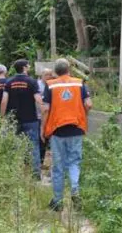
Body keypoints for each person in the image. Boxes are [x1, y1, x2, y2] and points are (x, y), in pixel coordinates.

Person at [41, 58, 92, 212]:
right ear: (69, 69)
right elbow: (88, 104)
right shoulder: (79, 83)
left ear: (56, 71)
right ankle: (75, 190)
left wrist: (43, 129)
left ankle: (57, 202)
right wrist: (82, 115)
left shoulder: (50, 85)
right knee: (74, 162)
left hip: (57, 131)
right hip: (76, 128)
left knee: (58, 167)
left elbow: (45, 109)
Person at [0, 59, 42, 180]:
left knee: (14, 145)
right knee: (33, 145)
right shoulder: (32, 82)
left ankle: (15, 173)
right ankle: (35, 175)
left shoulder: (9, 82)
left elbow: (4, 101)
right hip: (30, 119)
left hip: (14, 119)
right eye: (28, 65)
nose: (29, 67)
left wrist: (3, 118)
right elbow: (38, 99)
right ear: (24, 68)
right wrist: (45, 110)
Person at [37, 68, 54, 166]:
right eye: (46, 74)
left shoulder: (52, 85)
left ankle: (51, 162)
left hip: (51, 116)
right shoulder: (37, 85)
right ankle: (40, 162)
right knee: (41, 140)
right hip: (40, 115)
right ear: (41, 75)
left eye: (50, 74)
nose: (48, 76)